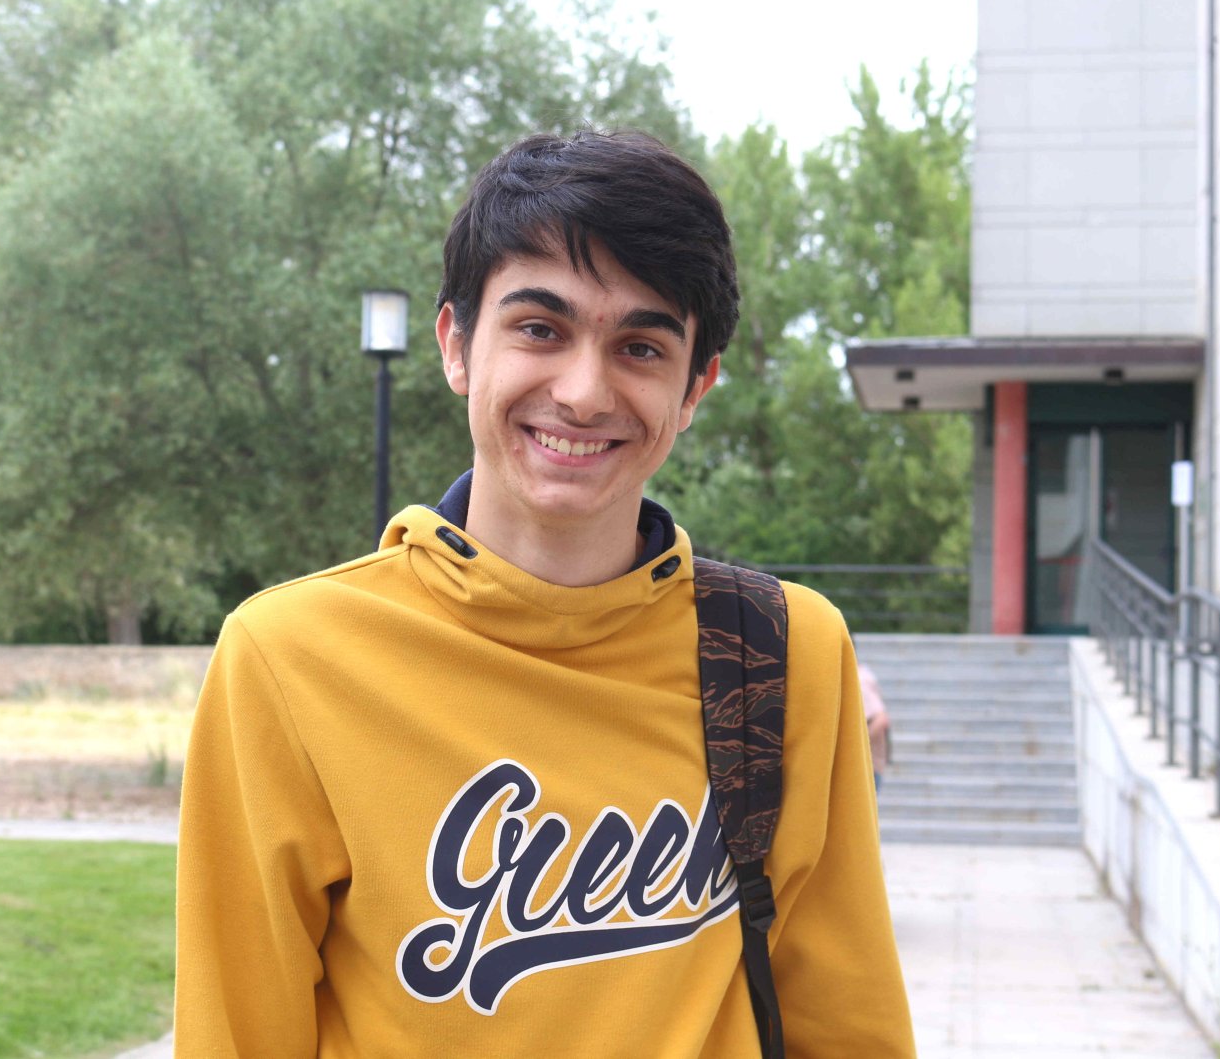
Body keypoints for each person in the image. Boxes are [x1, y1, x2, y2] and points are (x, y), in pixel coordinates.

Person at [174, 131, 915, 1057]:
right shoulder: (291, 657)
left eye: (640, 346)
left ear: (695, 387)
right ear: (456, 345)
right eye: (540, 329)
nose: (584, 391)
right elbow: (237, 1034)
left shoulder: (782, 650)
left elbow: (849, 1030)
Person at [858, 662, 892, 794]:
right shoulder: (863, 675)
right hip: (869, 766)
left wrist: (857, 743)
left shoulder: (861, 680)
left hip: (867, 767)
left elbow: (881, 720)